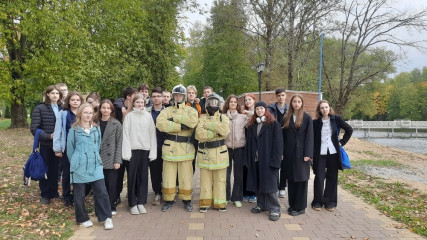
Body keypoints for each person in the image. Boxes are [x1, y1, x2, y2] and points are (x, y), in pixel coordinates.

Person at [67, 103, 113, 230]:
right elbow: (70, 150)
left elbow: (98, 145)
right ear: (80, 114)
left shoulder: (96, 128)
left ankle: (106, 217)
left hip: (95, 165)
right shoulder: (74, 130)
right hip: (79, 166)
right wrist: (77, 162)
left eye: (90, 113)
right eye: (85, 112)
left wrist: (94, 158)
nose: (88, 115)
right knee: (79, 194)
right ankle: (82, 218)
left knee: (101, 192)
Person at [156, 84, 198, 212]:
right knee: (168, 176)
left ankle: (186, 200)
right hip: (170, 147)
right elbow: (160, 124)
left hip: (186, 148)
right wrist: (180, 127)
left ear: (184, 96)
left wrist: (174, 119)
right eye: (176, 95)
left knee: (186, 176)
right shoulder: (166, 110)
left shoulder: (191, 110)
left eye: (180, 95)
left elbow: (192, 123)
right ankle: (169, 200)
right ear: (173, 96)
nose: (178, 97)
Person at [245, 101, 283, 221]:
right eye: (257, 109)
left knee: (270, 185)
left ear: (265, 110)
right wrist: (248, 159)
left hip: (268, 160)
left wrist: (276, 161)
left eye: (261, 108)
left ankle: (275, 209)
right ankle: (261, 204)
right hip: (255, 160)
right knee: (258, 183)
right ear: (255, 111)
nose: (259, 111)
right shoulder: (252, 126)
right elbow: (249, 143)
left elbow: (278, 144)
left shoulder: (273, 124)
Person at [312, 100, 353, 212]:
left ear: (329, 108)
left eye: (326, 107)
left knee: (332, 177)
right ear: (319, 110)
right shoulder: (315, 122)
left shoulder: (336, 119)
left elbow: (349, 129)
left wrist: (342, 142)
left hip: (333, 153)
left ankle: (330, 202)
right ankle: (317, 202)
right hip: (320, 154)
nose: (325, 109)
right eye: (322, 108)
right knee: (319, 177)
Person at [122, 94, 157, 215]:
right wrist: (126, 153)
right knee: (132, 177)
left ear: (145, 104)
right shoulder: (129, 117)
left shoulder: (148, 116)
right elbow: (125, 135)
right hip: (132, 150)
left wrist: (152, 153)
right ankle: (132, 203)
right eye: (137, 103)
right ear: (133, 103)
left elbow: (152, 134)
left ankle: (141, 202)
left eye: (142, 103)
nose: (140, 105)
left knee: (143, 177)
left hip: (145, 150)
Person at [195, 94, 230, 213]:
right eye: (211, 102)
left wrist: (209, 126)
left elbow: (224, 131)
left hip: (220, 153)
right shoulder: (202, 118)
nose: (213, 104)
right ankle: (205, 203)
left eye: (216, 102)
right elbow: (199, 134)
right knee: (205, 181)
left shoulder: (224, 118)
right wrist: (216, 133)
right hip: (205, 153)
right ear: (207, 104)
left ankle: (220, 203)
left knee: (220, 180)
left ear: (219, 104)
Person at [30, 85, 63, 205]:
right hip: (46, 144)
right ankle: (45, 194)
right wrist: (49, 136)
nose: (55, 95)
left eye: (57, 93)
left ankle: (54, 192)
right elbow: (34, 129)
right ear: (48, 94)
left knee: (55, 170)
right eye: (52, 93)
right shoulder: (40, 108)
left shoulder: (62, 108)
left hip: (59, 145)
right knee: (45, 170)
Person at [282, 94, 314, 216]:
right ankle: (292, 205)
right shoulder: (287, 117)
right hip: (289, 153)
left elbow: (310, 137)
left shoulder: (307, 118)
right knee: (291, 179)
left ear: (301, 104)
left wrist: (308, 154)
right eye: (294, 101)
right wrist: (282, 152)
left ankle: (300, 207)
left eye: (299, 102)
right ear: (291, 103)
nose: (296, 104)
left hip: (302, 154)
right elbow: (283, 137)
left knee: (301, 180)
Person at [53, 91, 84, 207]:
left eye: (77, 100)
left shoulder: (83, 113)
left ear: (81, 102)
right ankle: (66, 196)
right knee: (66, 173)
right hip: (67, 149)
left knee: (79, 173)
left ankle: (78, 195)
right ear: (69, 101)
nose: (75, 102)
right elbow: (58, 132)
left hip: (80, 148)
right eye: (73, 100)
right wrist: (57, 148)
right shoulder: (63, 114)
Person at [96, 99, 123, 216]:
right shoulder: (94, 123)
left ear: (111, 109)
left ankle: (111, 206)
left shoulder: (116, 124)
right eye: (104, 108)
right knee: (99, 186)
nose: (106, 110)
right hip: (97, 158)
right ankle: (99, 208)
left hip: (111, 159)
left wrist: (117, 160)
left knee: (111, 185)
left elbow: (119, 143)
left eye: (108, 108)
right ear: (100, 109)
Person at [113, 87, 137, 206]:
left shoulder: (136, 108)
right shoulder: (119, 106)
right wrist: (123, 108)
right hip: (119, 145)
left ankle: (132, 195)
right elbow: (116, 102)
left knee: (132, 172)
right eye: (135, 95)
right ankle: (117, 195)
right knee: (119, 173)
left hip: (132, 145)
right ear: (128, 97)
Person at [223, 95, 248, 208]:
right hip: (226, 148)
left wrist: (249, 111)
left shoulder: (243, 117)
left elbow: (253, 119)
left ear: (237, 104)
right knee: (226, 174)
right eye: (231, 102)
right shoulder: (222, 117)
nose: (233, 104)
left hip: (239, 148)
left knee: (238, 174)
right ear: (228, 104)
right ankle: (226, 197)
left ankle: (237, 197)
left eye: (235, 102)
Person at [267, 88, 288, 198]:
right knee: (275, 162)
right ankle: (275, 185)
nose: (281, 97)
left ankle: (282, 187)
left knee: (284, 163)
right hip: (274, 138)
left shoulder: (289, 109)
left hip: (287, 138)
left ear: (286, 96)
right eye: (279, 95)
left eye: (282, 95)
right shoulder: (270, 109)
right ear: (276, 97)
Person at [148, 87, 167, 206]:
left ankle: (168, 191)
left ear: (162, 97)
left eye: (158, 96)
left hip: (166, 145)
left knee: (167, 170)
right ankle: (157, 193)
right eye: (154, 96)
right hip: (152, 146)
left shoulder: (168, 112)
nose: (156, 98)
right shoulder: (147, 112)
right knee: (155, 171)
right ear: (151, 98)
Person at [241, 93, 257, 203]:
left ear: (254, 100)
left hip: (255, 144)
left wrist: (250, 113)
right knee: (244, 168)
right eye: (246, 100)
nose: (247, 102)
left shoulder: (258, 112)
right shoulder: (242, 114)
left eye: (249, 100)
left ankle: (253, 193)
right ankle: (245, 192)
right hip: (244, 143)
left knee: (254, 168)